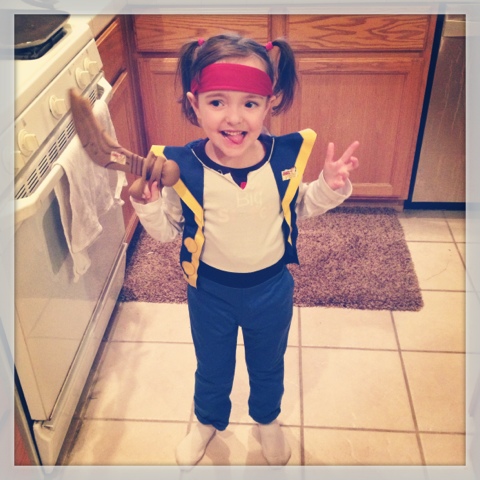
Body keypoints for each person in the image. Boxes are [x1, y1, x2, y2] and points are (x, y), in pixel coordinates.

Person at [130, 33, 359, 467]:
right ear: (194, 104)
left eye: (250, 103)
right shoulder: (184, 168)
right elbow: (167, 232)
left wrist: (329, 187)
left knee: (268, 362)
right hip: (209, 291)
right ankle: (206, 420)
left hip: (270, 289)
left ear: (269, 104)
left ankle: (267, 420)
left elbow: (300, 206)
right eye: (217, 102)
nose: (234, 118)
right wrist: (147, 205)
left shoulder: (281, 159)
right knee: (212, 364)